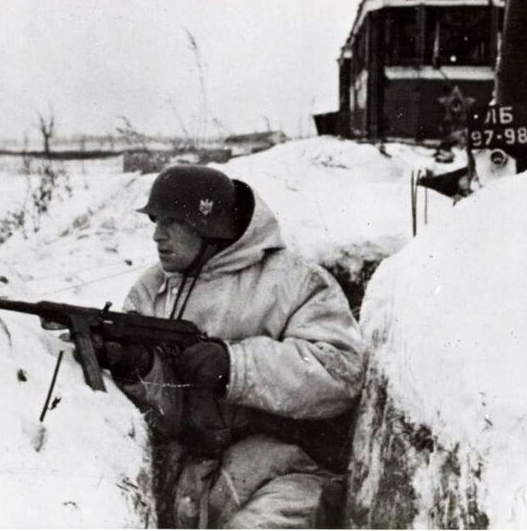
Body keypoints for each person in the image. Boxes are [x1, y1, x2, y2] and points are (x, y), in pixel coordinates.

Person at [100, 164, 364, 528]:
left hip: (287, 469)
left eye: (171, 223)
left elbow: (340, 373)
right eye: (156, 222)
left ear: (208, 226)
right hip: (190, 477)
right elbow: (169, 417)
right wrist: (140, 367)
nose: (157, 236)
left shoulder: (296, 282)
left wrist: (235, 365)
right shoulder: (152, 290)